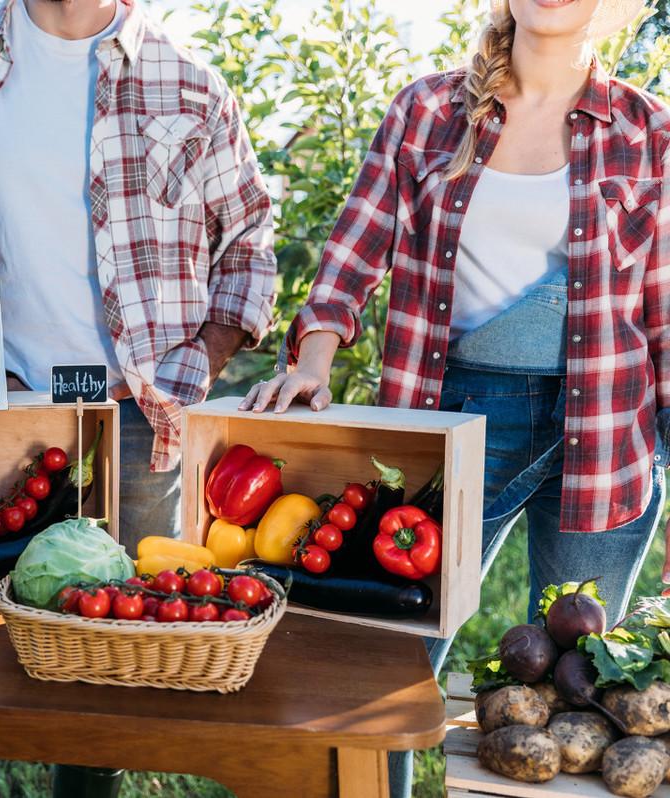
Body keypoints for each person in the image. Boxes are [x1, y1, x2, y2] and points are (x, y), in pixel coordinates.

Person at [241, 1, 667, 795]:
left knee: (575, 693)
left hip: (609, 428)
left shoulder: (650, 131)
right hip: (453, 418)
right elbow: (352, 250)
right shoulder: (430, 111)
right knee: (387, 669)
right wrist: (314, 357)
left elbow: (667, 310)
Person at [0, 0, 277, 794]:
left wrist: (200, 358)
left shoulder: (188, 81)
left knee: (111, 653)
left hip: (139, 419)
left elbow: (249, 241)